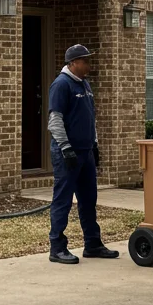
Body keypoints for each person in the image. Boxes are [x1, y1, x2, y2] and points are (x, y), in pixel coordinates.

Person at [46, 44, 119, 265]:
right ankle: (57, 247)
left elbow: (90, 118)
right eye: (85, 61)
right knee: (63, 200)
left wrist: (94, 144)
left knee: (88, 199)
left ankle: (93, 244)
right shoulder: (61, 85)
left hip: (86, 152)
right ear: (73, 63)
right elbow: (55, 120)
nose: (89, 64)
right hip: (67, 153)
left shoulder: (85, 84)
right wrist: (66, 148)